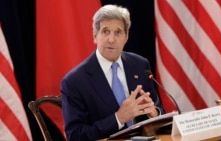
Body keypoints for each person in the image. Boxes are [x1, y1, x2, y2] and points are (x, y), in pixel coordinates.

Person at [61, 4, 165, 141]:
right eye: (105, 31)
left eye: (118, 32)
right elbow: (75, 135)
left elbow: (159, 109)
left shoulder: (140, 65)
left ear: (126, 37)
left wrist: (154, 113)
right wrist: (118, 118)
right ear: (94, 36)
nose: (111, 39)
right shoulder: (75, 81)